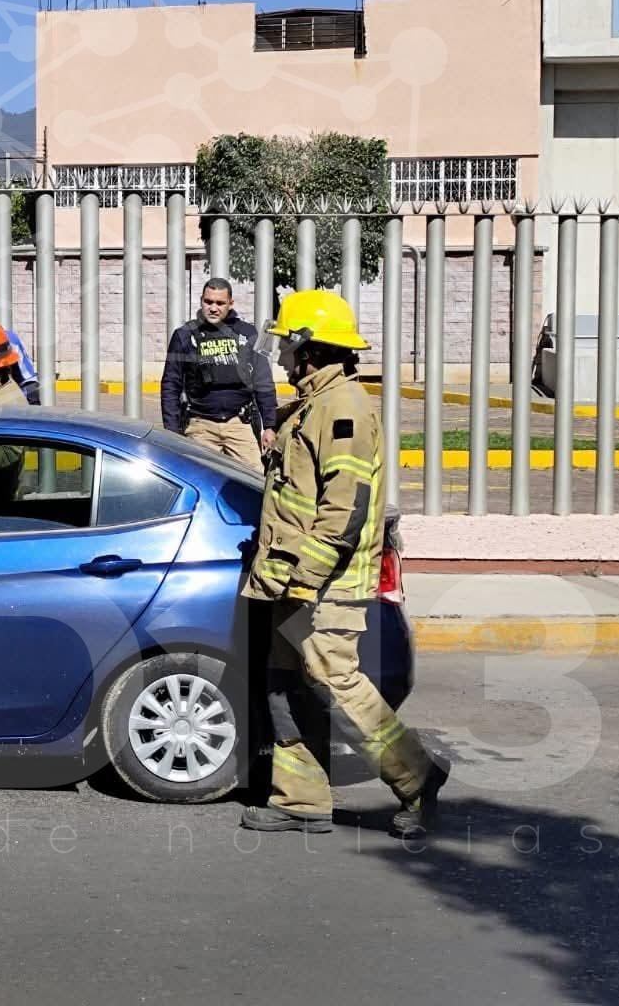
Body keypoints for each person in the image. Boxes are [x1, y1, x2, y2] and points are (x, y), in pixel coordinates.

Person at [238, 290, 447, 839]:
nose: (281, 357)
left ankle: (417, 776)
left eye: (287, 346)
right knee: (285, 686)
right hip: (291, 582)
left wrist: (306, 578)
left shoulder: (343, 408)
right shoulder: (314, 404)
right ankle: (300, 800)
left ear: (310, 349)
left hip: (323, 584)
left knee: (336, 683)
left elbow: (345, 508)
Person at [160, 278, 277, 472]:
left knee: (256, 480)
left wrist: (270, 426)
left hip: (240, 424)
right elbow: (170, 385)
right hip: (200, 427)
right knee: (198, 479)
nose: (213, 308)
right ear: (201, 301)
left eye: (220, 303)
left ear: (231, 303)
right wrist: (172, 432)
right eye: (208, 302)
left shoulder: (248, 333)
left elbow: (263, 381)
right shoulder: (184, 335)